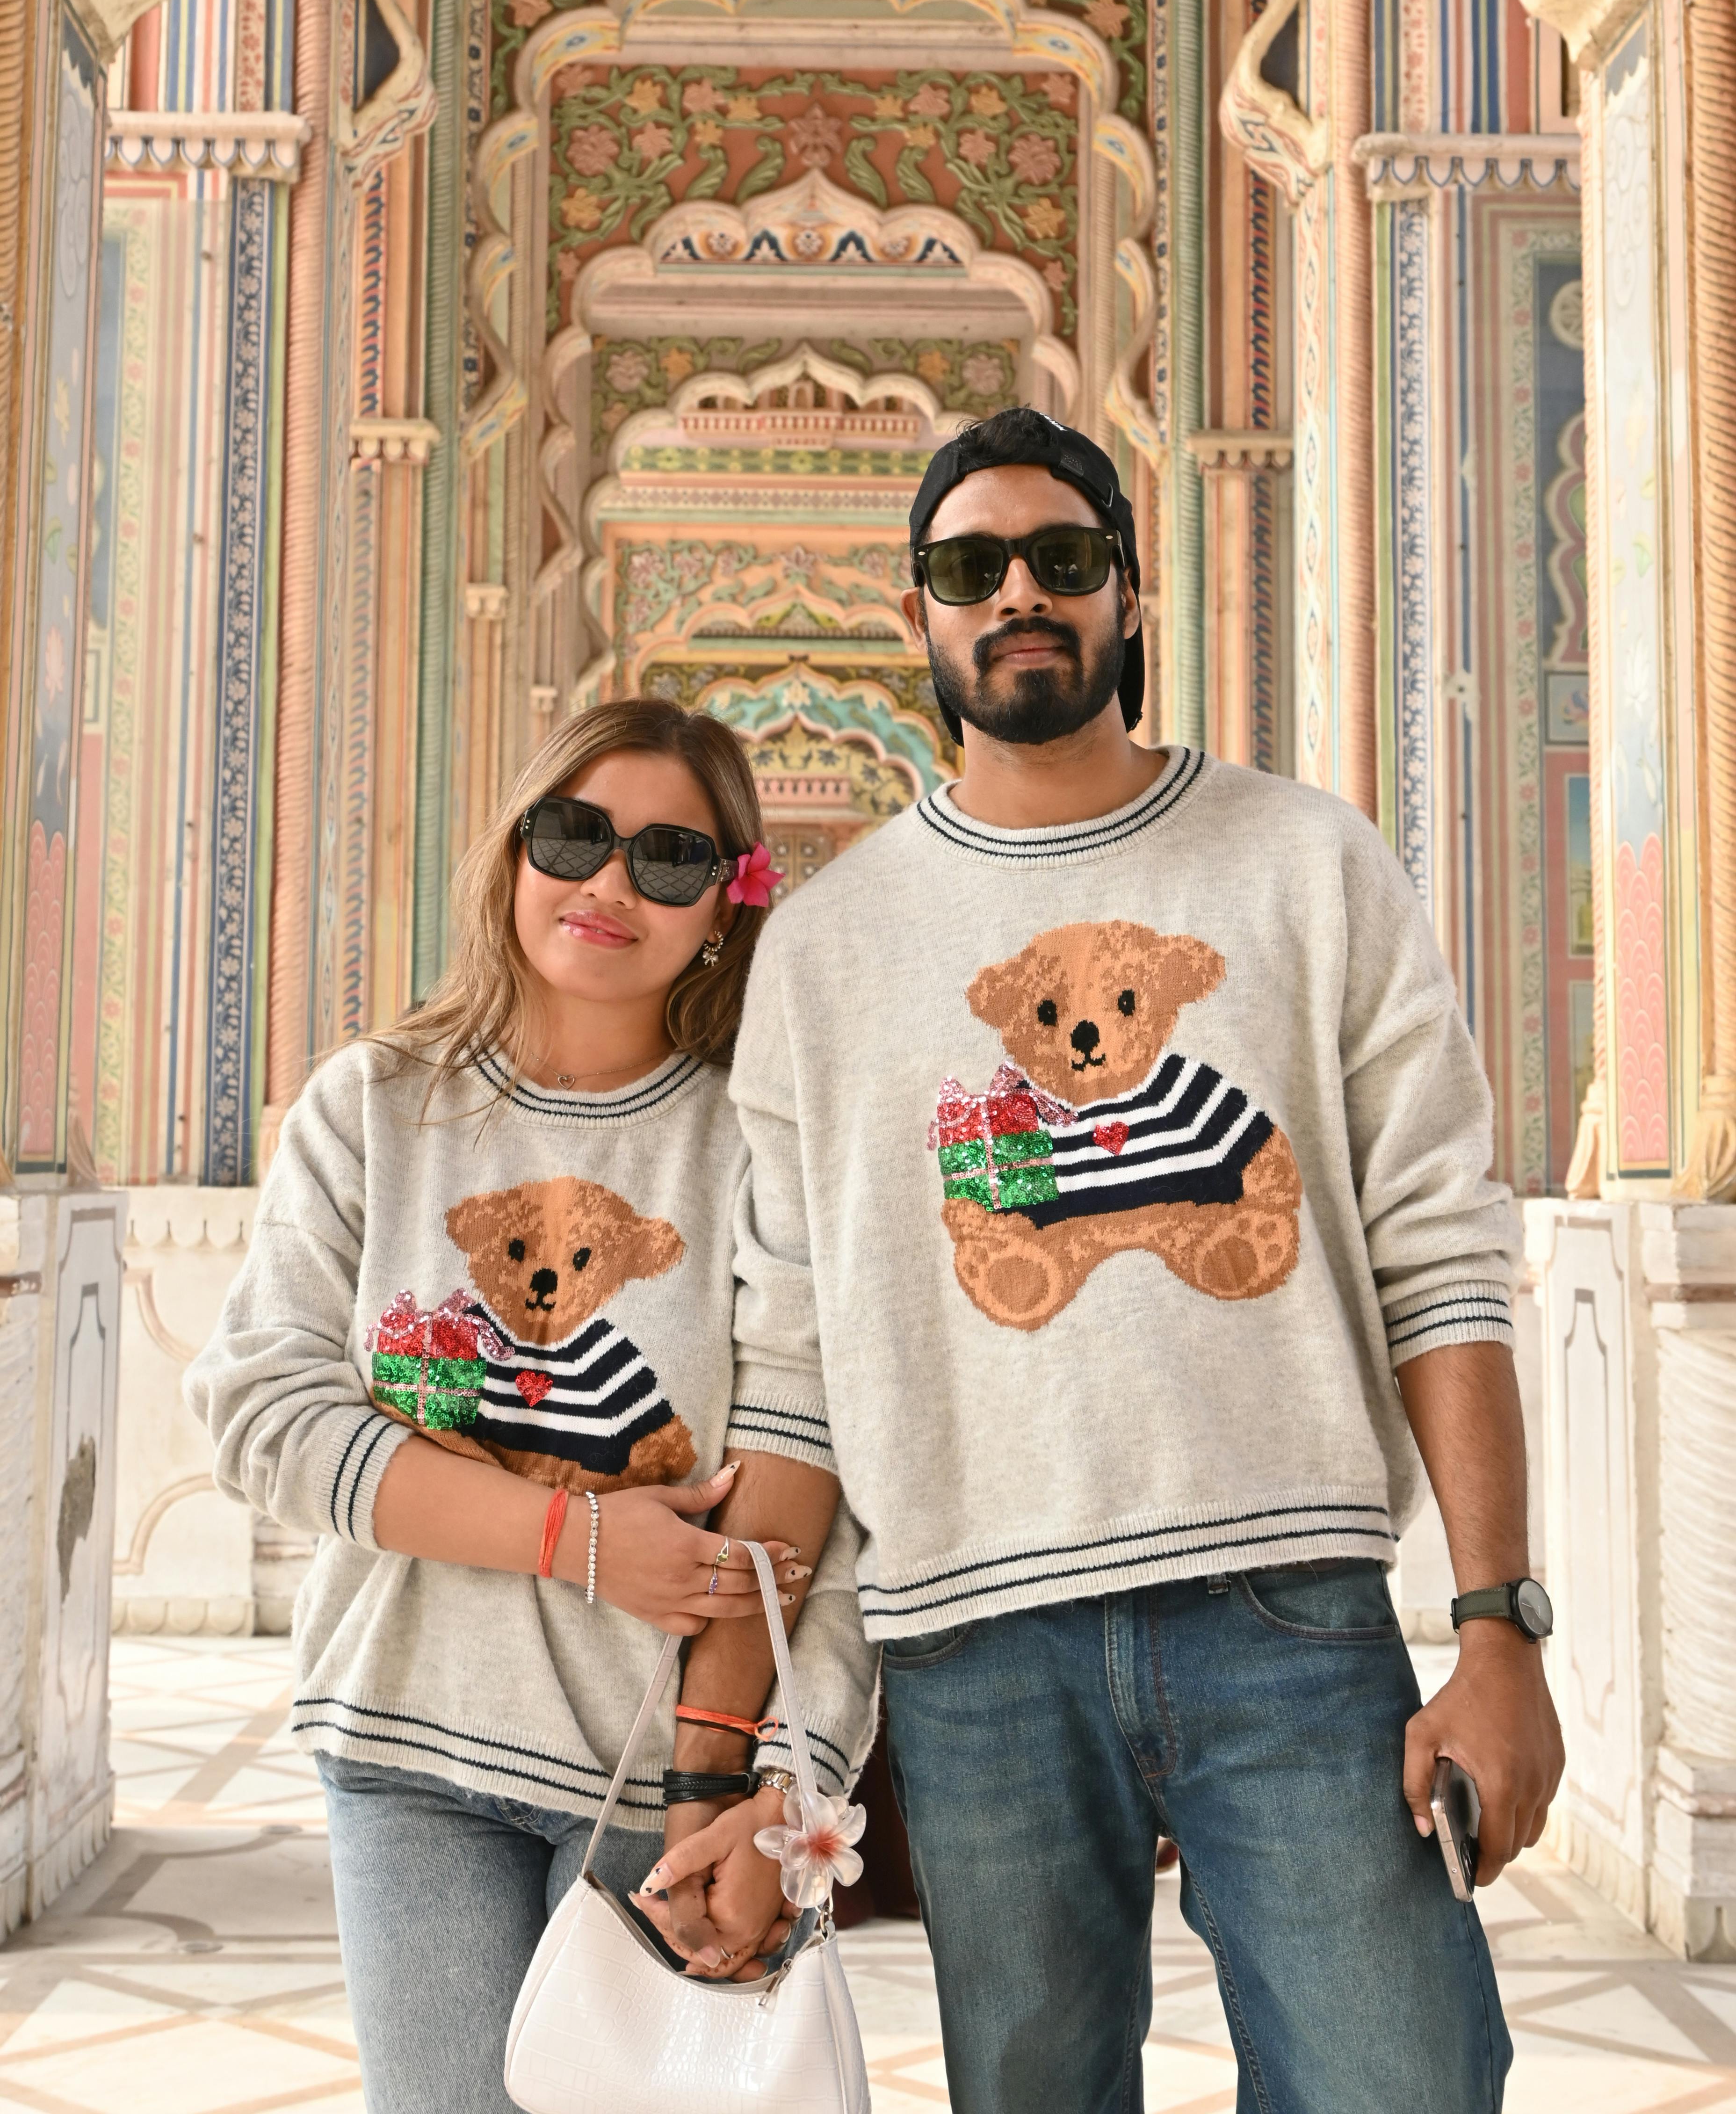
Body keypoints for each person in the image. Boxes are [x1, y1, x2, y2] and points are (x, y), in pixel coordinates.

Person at [690, 405, 1562, 2111]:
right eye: (969, 567)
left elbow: (1442, 1258)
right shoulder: (826, 951)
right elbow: (795, 1372)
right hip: (975, 1637)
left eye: (1062, 557)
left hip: (1287, 1616)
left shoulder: (1307, 865)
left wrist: (1498, 1630)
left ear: (1129, 598)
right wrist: (727, 1761)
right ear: (921, 621)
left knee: (1401, 2081)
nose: (1018, 591)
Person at [187, 699, 876, 2112]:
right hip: (406, 1753)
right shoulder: (373, 1106)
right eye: (575, 837)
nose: (610, 885)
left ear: (727, 907)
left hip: (660, 1778)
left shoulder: (762, 1147)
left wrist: (788, 1788)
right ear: (514, 853)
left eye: (672, 860)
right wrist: (574, 1541)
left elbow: (821, 1490)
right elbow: (264, 1405)